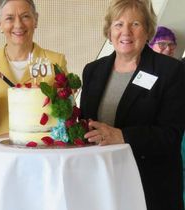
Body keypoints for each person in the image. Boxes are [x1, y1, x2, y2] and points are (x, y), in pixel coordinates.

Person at [80, 0, 185, 209]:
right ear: (109, 32)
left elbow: (171, 135)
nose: (126, 31)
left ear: (147, 31)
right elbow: (86, 124)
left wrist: (122, 136)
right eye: (118, 24)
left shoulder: (171, 71)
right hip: (102, 183)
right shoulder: (92, 71)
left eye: (135, 24)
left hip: (149, 186)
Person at [0, 0, 68, 139]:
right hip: (1, 155)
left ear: (36, 20)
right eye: (9, 18)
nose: (18, 24)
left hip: (44, 152)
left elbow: (67, 116)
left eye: (25, 16)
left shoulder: (55, 62)